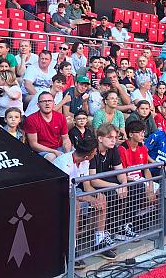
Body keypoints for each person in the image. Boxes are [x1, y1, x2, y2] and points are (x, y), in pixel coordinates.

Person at [52, 137, 109, 266]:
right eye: (94, 152)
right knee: (76, 206)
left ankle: (99, 242)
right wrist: (88, 198)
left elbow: (87, 186)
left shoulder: (85, 162)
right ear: (88, 154)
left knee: (101, 199)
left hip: (74, 191)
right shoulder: (63, 162)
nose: (95, 154)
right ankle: (72, 248)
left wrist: (95, 195)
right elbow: (64, 191)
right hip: (57, 194)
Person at [88, 124, 132, 256]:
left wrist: (123, 184)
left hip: (108, 180)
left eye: (115, 137)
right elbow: (93, 180)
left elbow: (120, 172)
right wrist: (115, 187)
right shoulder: (93, 151)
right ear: (100, 138)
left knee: (135, 187)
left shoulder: (114, 149)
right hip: (94, 184)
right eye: (110, 137)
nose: (113, 140)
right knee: (113, 193)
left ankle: (120, 227)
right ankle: (106, 231)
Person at [24, 91, 72, 161]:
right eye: (43, 101)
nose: (47, 103)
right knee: (51, 157)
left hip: (59, 147)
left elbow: (65, 138)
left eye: (49, 101)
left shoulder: (61, 117)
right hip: (42, 151)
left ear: (53, 103)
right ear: (38, 105)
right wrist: (54, 151)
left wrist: (67, 154)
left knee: (78, 154)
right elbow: (33, 145)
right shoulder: (31, 119)